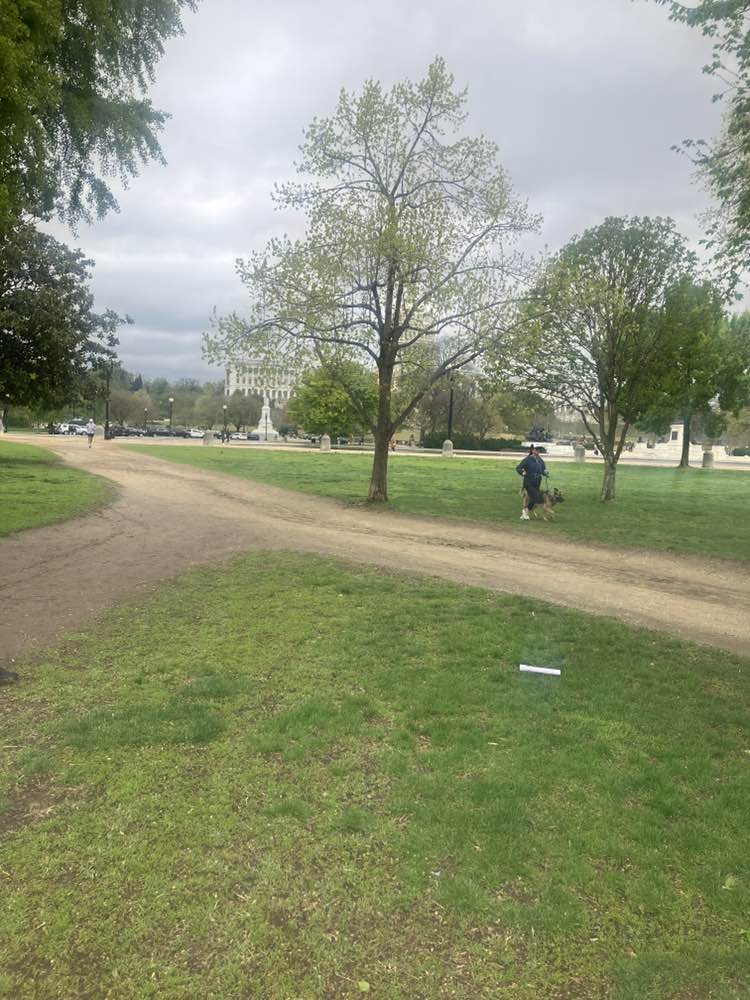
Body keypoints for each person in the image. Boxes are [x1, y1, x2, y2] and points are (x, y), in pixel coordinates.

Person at [516, 445, 547, 520]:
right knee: (536, 496)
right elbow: (518, 468)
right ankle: (525, 511)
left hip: (537, 481)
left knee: (534, 498)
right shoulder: (527, 459)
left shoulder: (540, 460)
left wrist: (545, 472)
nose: (538, 452)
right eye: (536, 450)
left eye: (539, 451)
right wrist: (522, 473)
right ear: (533, 451)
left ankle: (525, 512)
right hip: (528, 481)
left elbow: (542, 470)